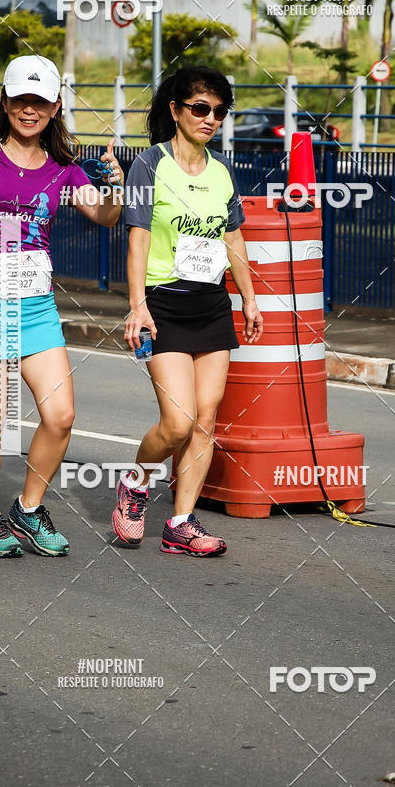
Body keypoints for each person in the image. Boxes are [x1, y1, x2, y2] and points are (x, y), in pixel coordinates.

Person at [0, 54, 123, 558]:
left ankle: (27, 508)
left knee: (61, 415)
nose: (30, 109)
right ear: (5, 101)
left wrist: (113, 181)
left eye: (40, 101)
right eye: (21, 99)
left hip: (36, 304)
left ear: (55, 106)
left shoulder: (63, 168)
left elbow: (106, 216)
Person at [114, 65, 263, 558]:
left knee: (205, 420)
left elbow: (233, 235)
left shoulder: (222, 171)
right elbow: (136, 240)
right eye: (201, 108)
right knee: (176, 421)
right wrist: (137, 307)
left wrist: (249, 296)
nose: (211, 118)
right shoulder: (147, 165)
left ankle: (180, 522)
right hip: (163, 305)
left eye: (219, 111)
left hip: (211, 305)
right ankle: (135, 485)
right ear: (176, 110)